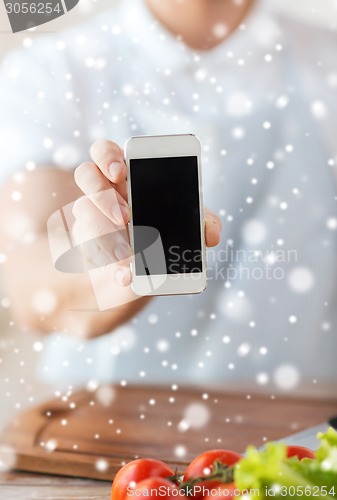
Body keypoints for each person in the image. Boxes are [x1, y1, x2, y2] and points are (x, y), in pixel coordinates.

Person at [0, 0, 336, 395]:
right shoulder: (52, 72)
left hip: (301, 433)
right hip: (108, 437)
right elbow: (29, 286)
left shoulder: (325, 63)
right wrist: (114, 275)